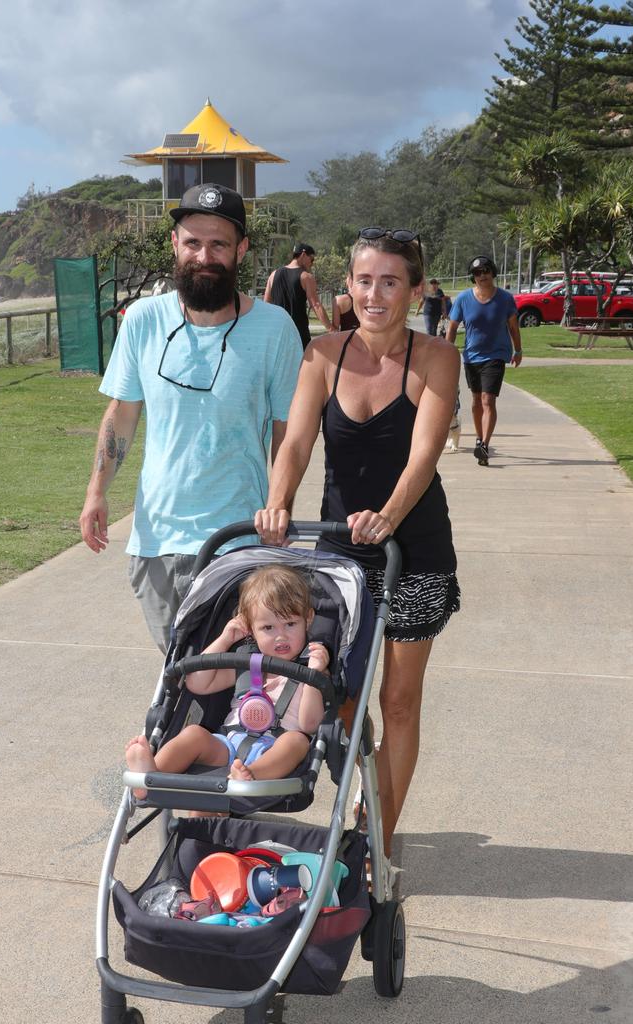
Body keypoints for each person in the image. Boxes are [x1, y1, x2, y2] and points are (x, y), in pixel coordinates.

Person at [254, 227, 461, 864]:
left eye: (390, 281)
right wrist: (279, 499)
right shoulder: (322, 354)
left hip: (413, 551)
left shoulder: (435, 358)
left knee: (398, 699)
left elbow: (424, 455)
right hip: (340, 552)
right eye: (364, 280)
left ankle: (378, 836)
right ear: (349, 286)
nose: (375, 294)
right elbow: (294, 443)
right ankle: (362, 782)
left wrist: (390, 516)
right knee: (342, 699)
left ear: (415, 290)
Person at [79, 183, 303, 652]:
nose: (204, 256)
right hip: (156, 540)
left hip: (237, 538)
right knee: (177, 681)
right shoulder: (143, 319)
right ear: (175, 245)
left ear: (240, 249)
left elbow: (289, 433)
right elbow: (121, 414)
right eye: (193, 242)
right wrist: (96, 492)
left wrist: (279, 503)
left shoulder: (274, 328)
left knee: (240, 685)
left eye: (219, 244)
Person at [124, 564, 329, 792]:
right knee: (195, 734)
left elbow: (310, 724)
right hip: (229, 744)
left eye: (290, 624)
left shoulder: (312, 667)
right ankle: (152, 776)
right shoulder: (246, 664)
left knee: (297, 742)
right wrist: (225, 639)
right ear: (251, 629)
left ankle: (251, 776)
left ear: (308, 619)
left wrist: (314, 674)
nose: (281, 636)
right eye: (268, 627)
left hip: (274, 749)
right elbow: (196, 683)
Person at [445, 255, 523, 466]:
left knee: (488, 399)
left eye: (486, 271)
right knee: (476, 401)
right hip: (472, 356)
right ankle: (480, 438)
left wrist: (518, 350)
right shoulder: (463, 299)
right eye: (477, 273)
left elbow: (513, 327)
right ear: (473, 277)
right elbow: (452, 328)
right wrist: (447, 351)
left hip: (496, 355)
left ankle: (485, 445)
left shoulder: (505, 298)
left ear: (493, 273)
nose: (482, 276)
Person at [264, 243, 333, 347]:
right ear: (303, 254)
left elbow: (266, 305)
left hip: (278, 334)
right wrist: (331, 329)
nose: (312, 264)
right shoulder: (306, 277)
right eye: (312, 259)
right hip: (298, 334)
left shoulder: (273, 275)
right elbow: (316, 305)